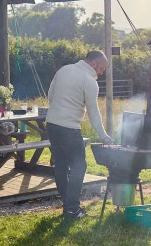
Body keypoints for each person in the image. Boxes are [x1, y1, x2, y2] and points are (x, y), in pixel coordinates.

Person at [46, 50, 113, 219]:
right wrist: (104, 136)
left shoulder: (64, 70)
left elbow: (50, 95)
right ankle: (72, 210)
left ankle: (67, 206)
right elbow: (93, 113)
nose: (101, 73)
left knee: (61, 165)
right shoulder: (89, 82)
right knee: (79, 167)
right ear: (94, 64)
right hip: (69, 128)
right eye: (102, 69)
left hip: (52, 124)